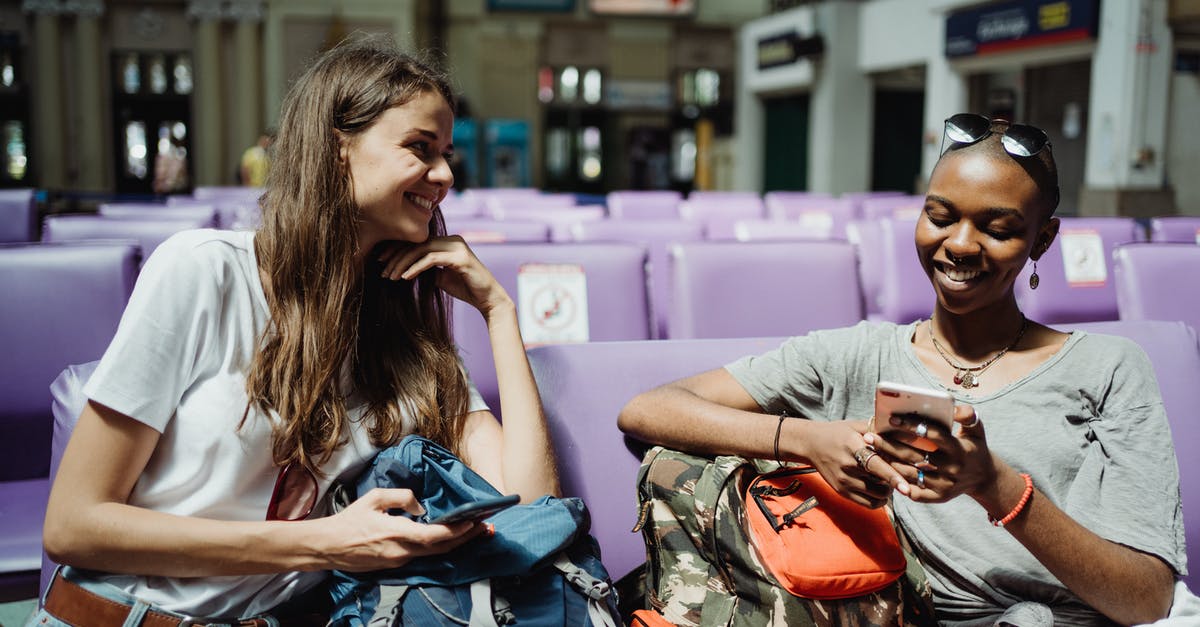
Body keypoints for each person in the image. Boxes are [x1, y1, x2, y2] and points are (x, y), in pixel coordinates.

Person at [37, 34, 559, 623]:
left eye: (447, 154)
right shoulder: (206, 269)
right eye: (420, 147)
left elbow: (534, 507)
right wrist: (327, 543)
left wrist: (499, 311)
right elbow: (73, 524)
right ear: (338, 147)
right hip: (122, 614)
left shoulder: (408, 336)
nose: (443, 175)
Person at [618, 113, 1185, 625]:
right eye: (940, 216)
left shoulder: (1109, 367)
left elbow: (1147, 600)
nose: (960, 245)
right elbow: (647, 410)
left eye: (999, 228)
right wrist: (808, 440)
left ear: (1043, 239)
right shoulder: (856, 356)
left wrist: (994, 485)